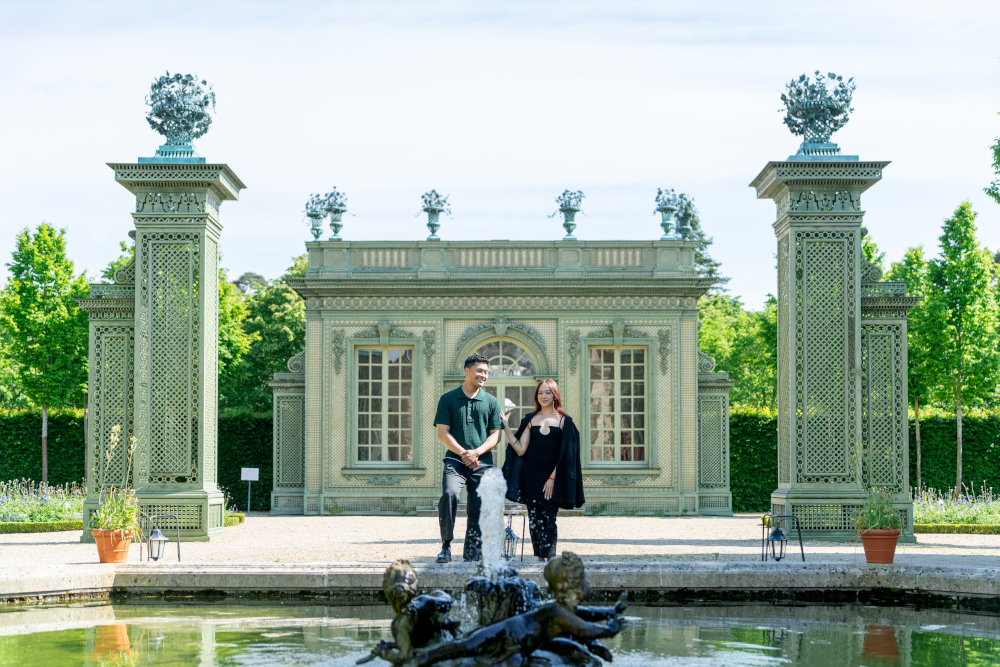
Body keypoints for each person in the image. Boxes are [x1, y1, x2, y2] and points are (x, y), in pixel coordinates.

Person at [500, 379, 584, 561]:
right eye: (540, 393)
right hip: (531, 477)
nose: (543, 396)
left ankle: (550, 558)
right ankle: (540, 558)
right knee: (535, 519)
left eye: (547, 392)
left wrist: (552, 479)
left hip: (552, 477)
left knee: (548, 518)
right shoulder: (530, 419)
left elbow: (566, 455)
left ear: (555, 395)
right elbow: (521, 449)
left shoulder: (564, 421)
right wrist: (506, 428)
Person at [433, 353, 503, 564]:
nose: (484, 375)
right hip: (455, 461)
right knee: (449, 494)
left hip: (482, 463)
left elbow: (496, 434)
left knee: (479, 505)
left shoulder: (491, 401)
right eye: (480, 371)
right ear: (467, 371)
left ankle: (473, 552)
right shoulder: (448, 399)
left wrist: (477, 452)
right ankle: (446, 546)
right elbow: (442, 432)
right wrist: (465, 453)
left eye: (486, 372)